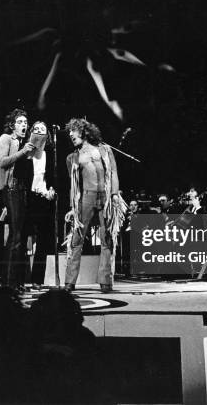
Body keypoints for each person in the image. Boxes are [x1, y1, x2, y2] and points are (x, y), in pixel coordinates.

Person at [64, 118, 127, 293]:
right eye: (69, 132)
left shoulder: (104, 150)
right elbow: (74, 185)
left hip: (105, 197)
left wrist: (114, 193)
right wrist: (72, 207)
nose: (70, 134)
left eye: (73, 130)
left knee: (107, 238)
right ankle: (70, 281)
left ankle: (105, 281)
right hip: (86, 197)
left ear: (83, 132)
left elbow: (113, 172)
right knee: (77, 239)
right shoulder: (73, 157)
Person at [0, 109, 35, 290]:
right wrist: (22, 152)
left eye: (25, 122)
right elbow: (2, 162)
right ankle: (9, 281)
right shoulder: (6, 138)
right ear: (12, 125)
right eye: (20, 122)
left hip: (22, 189)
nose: (24, 125)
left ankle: (18, 280)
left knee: (21, 234)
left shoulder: (25, 142)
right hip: (10, 188)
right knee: (16, 234)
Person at [27, 121, 57, 289]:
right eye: (36, 129)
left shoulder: (50, 154)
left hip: (44, 199)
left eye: (42, 130)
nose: (39, 132)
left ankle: (37, 279)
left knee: (43, 240)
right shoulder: (26, 152)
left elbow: (51, 177)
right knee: (25, 237)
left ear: (47, 135)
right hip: (29, 197)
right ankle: (20, 278)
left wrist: (51, 189)